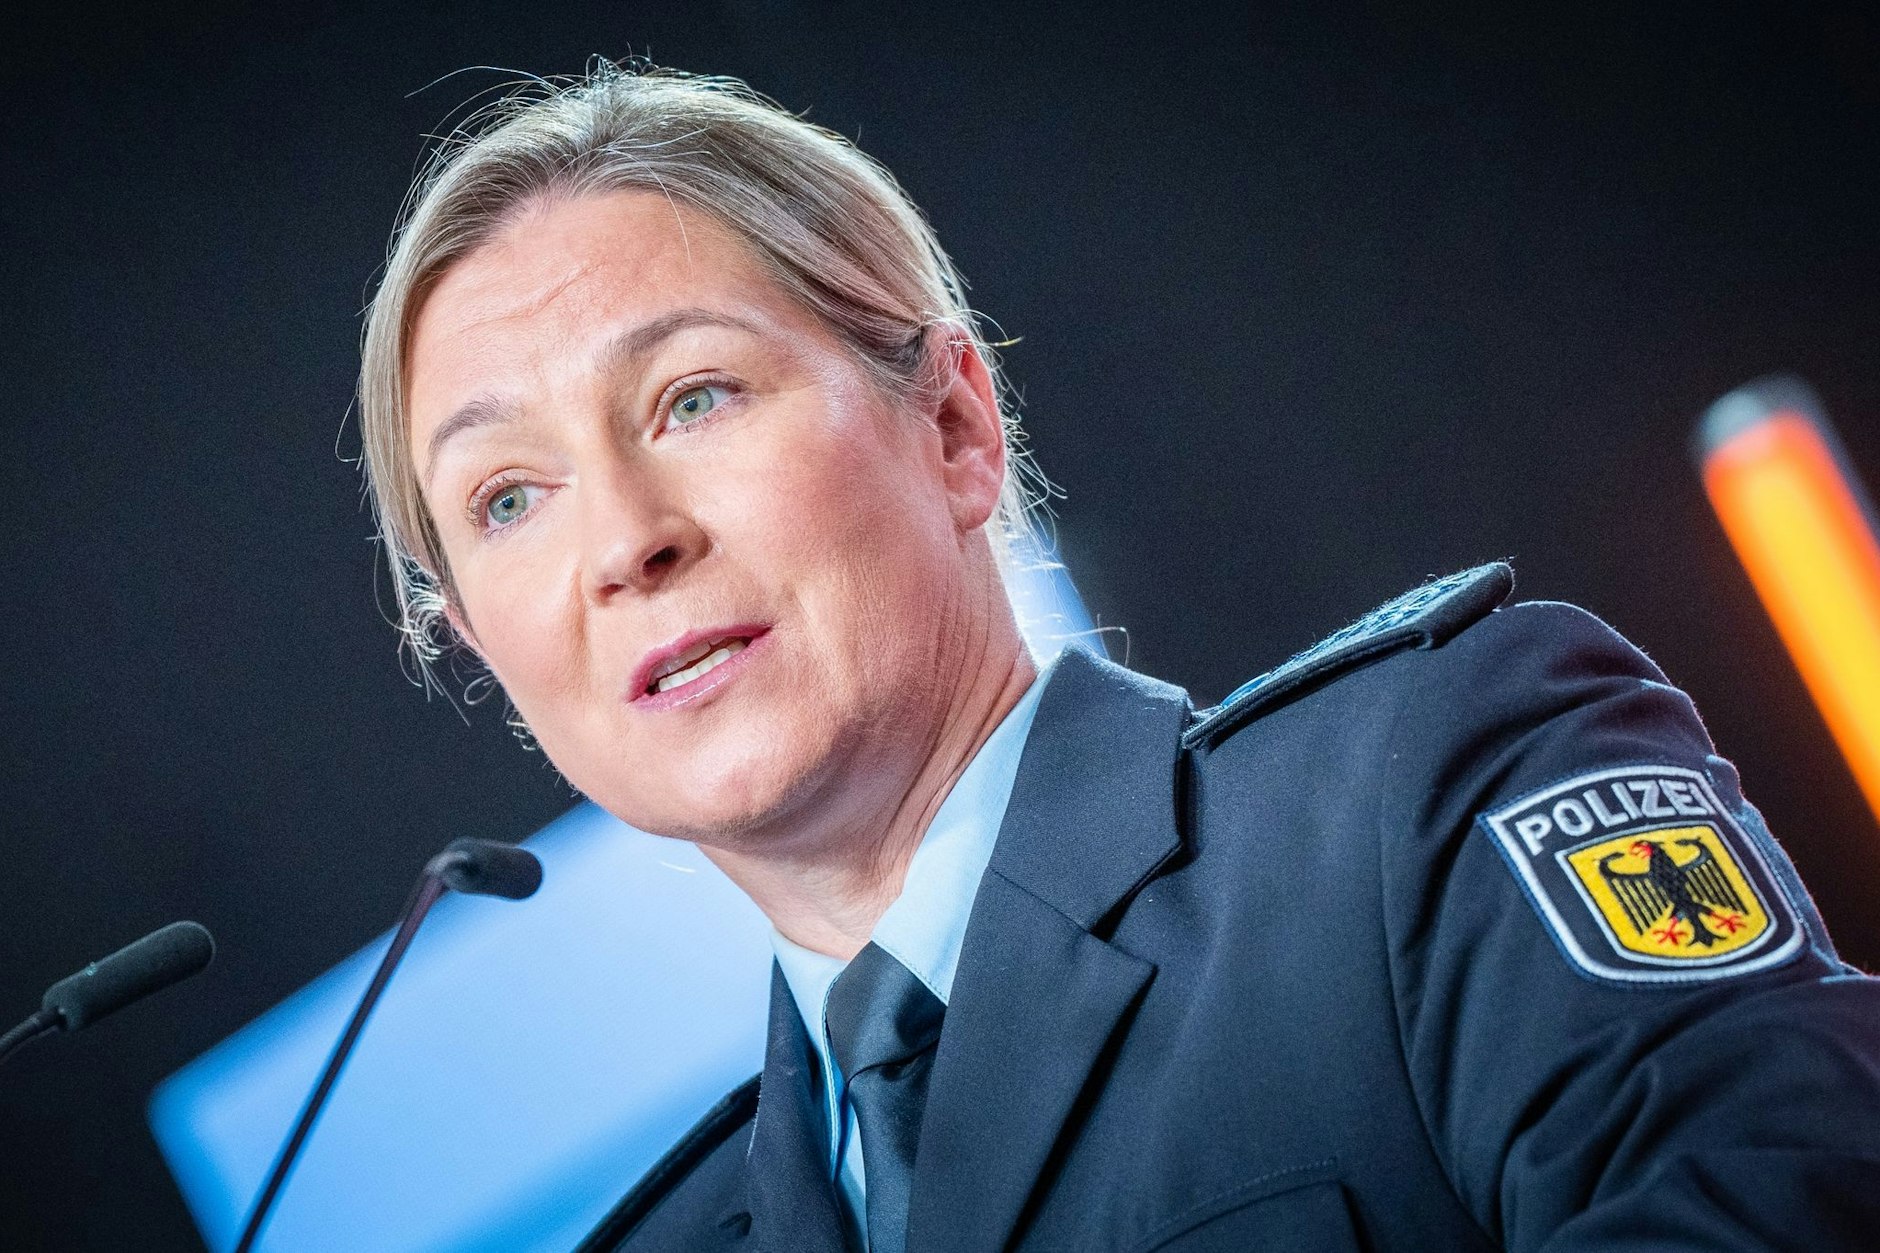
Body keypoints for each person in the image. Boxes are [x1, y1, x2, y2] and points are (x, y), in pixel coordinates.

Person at [356, 63, 1880, 1252]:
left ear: (954, 426)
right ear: (477, 644)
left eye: (693, 397)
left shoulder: (1426, 792)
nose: (624, 539)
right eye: (508, 497)